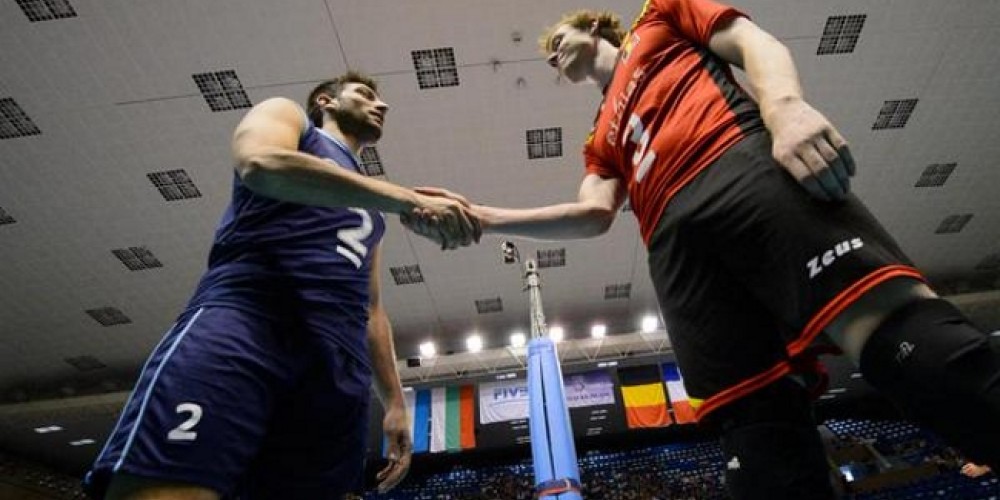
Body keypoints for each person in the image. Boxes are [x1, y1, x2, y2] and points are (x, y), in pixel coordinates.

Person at [403, 2, 1000, 498]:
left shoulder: (657, 15)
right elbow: (592, 215)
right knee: (755, 430)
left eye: (557, 39)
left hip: (734, 167)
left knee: (900, 341)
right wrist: (484, 218)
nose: (552, 54)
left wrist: (784, 109)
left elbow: (751, 42)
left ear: (591, 25)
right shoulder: (598, 139)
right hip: (673, 247)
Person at [84, 71, 480, 500]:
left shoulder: (373, 212)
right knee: (171, 488)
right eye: (366, 95)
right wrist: (409, 199)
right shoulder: (290, 118)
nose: (381, 105)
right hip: (250, 321)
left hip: (335, 365)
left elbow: (371, 309)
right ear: (325, 101)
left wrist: (396, 403)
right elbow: (261, 164)